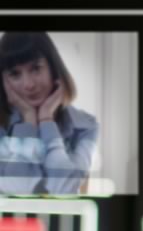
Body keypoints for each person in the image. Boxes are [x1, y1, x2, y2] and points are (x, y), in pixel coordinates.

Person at [0, 32, 96, 194]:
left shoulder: (85, 126)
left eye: (36, 68)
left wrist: (46, 121)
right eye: (15, 74)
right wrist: (28, 121)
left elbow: (64, 189)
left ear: (54, 68)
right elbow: (17, 190)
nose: (28, 84)